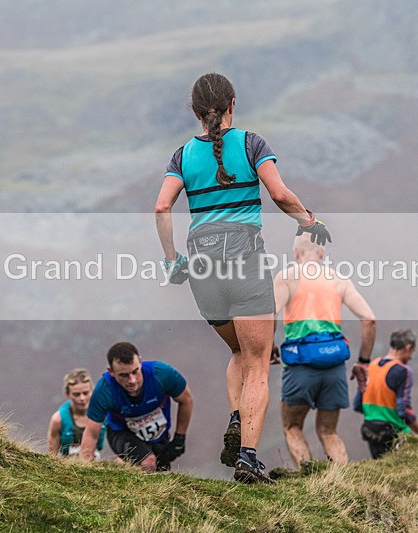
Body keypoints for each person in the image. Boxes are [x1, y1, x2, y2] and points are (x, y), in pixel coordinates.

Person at [155, 72, 331, 483]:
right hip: (244, 258)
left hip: (201, 263)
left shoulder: (181, 157)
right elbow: (281, 194)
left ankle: (237, 417)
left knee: (239, 353)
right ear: (233, 104)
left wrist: (171, 261)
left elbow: (162, 208)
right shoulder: (252, 144)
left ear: (195, 112)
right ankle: (248, 458)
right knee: (258, 363)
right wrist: (310, 220)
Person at [273, 234, 376, 468]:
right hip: (334, 366)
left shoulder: (288, 277)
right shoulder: (340, 280)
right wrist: (363, 361)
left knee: (293, 426)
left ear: (295, 253)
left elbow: (271, 314)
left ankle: (309, 481)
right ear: (322, 254)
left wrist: (268, 347)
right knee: (328, 431)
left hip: (300, 366)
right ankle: (342, 482)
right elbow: (369, 319)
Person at [79, 342, 193, 472]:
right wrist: (84, 470)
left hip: (158, 435)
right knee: (148, 463)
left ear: (140, 361)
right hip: (121, 432)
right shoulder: (104, 390)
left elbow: (186, 399)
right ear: (111, 372)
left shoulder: (161, 374)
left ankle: (121, 468)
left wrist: (180, 438)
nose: (132, 380)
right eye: (124, 375)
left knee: (161, 475)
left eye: (135, 371)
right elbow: (91, 432)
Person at [361, 328, 418, 459]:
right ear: (408, 347)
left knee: (383, 471)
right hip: (394, 432)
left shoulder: (372, 366)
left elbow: (357, 403)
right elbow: (404, 408)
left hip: (371, 430)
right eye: (411, 352)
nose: (410, 357)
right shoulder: (403, 371)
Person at [47, 368, 105, 458]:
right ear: (68, 394)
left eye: (85, 393)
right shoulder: (57, 420)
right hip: (66, 465)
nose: (82, 398)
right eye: (76, 394)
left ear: (92, 391)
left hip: (95, 462)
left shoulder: (103, 413)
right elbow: (52, 455)